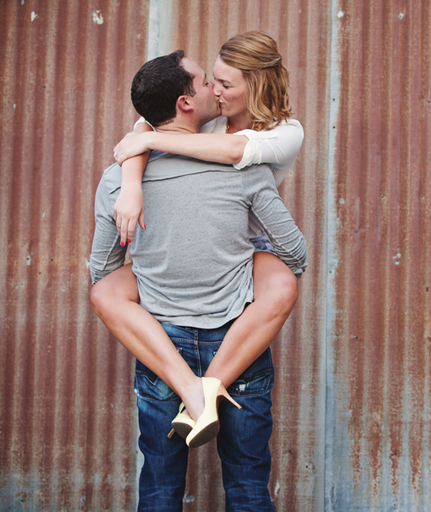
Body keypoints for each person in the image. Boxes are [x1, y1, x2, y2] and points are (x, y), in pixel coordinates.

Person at [90, 50, 305, 509]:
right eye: (207, 82)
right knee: (248, 484)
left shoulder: (117, 178)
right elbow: (295, 253)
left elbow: (102, 271)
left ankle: (192, 389)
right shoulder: (244, 170)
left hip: (162, 348)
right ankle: (202, 391)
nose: (216, 89)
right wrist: (243, 259)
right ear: (186, 103)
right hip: (237, 341)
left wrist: (158, 261)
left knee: (159, 487)